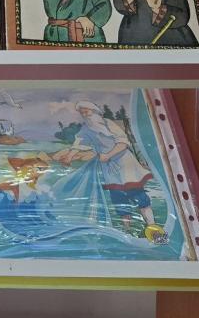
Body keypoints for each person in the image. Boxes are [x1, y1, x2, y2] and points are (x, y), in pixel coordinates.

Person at [52, 101, 167, 243]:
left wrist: (108, 155)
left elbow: (123, 143)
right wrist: (69, 157)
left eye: (87, 111)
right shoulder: (86, 129)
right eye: (82, 113)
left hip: (125, 164)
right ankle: (128, 232)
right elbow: (79, 144)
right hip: (109, 170)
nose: (85, 115)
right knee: (119, 199)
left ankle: (153, 228)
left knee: (139, 196)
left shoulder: (108, 124)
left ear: (95, 111)